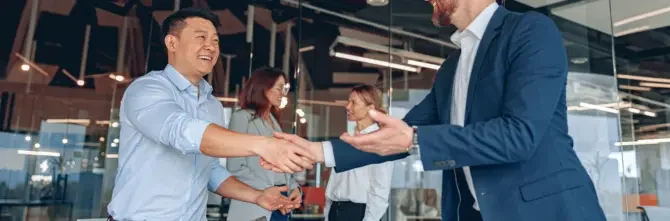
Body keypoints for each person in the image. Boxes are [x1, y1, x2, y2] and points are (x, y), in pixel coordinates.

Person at [263, 0, 607, 220]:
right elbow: (392, 138)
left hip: (548, 212)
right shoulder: (452, 67)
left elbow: (520, 136)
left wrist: (413, 139)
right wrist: (317, 151)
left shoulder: (530, 31)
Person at [107, 8, 313, 221]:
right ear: (172, 43)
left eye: (215, 40)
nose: (211, 46)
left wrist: (257, 196)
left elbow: (211, 171)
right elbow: (180, 130)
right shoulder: (146, 89)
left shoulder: (212, 104)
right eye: (201, 38)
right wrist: (263, 145)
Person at [226, 67, 302, 221]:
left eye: (285, 89)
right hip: (255, 205)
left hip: (281, 204)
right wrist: (268, 191)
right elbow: (235, 167)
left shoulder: (275, 123)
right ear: (263, 87)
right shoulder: (242, 118)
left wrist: (295, 189)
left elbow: (282, 167)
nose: (283, 93)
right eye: (279, 88)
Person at [323, 85, 393, 221]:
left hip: (357, 214)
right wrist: (328, 214)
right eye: (348, 102)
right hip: (335, 211)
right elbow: (334, 183)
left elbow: (380, 190)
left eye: (353, 103)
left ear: (370, 108)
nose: (347, 107)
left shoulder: (380, 142)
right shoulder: (347, 139)